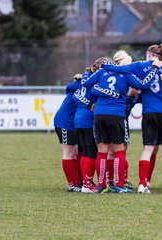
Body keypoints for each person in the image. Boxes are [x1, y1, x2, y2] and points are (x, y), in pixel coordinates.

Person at [102, 44, 162, 194]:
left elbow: (120, 69)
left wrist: (106, 65)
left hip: (149, 112)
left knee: (147, 149)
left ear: (149, 54)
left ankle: (142, 184)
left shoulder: (139, 65)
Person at [85, 51, 158, 193]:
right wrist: (154, 69)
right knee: (119, 150)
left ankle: (101, 184)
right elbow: (143, 85)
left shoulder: (102, 71)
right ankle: (118, 184)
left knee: (102, 151)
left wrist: (99, 89)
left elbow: (87, 83)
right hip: (116, 114)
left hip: (99, 113)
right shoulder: (126, 74)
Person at [72, 59, 101, 193]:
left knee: (85, 151)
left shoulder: (85, 77)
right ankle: (87, 184)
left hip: (79, 119)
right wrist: (90, 105)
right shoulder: (94, 79)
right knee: (91, 152)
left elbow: (76, 96)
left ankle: (85, 182)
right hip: (88, 119)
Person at [54, 74, 82, 192]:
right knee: (68, 152)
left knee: (75, 151)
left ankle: (78, 182)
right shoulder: (81, 84)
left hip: (73, 122)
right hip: (64, 121)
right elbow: (70, 87)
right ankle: (72, 184)